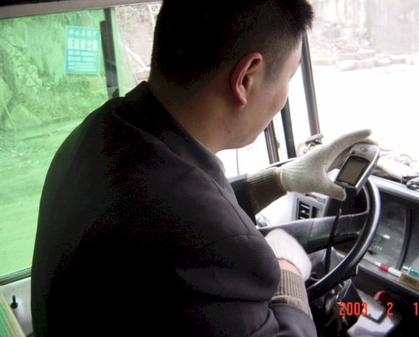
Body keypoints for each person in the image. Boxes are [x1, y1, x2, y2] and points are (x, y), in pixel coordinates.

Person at [30, 1, 371, 336]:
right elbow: (198, 229)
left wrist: (281, 178)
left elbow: (177, 207)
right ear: (246, 78)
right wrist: (288, 272)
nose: (284, 96)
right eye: (289, 77)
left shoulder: (103, 130)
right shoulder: (212, 246)